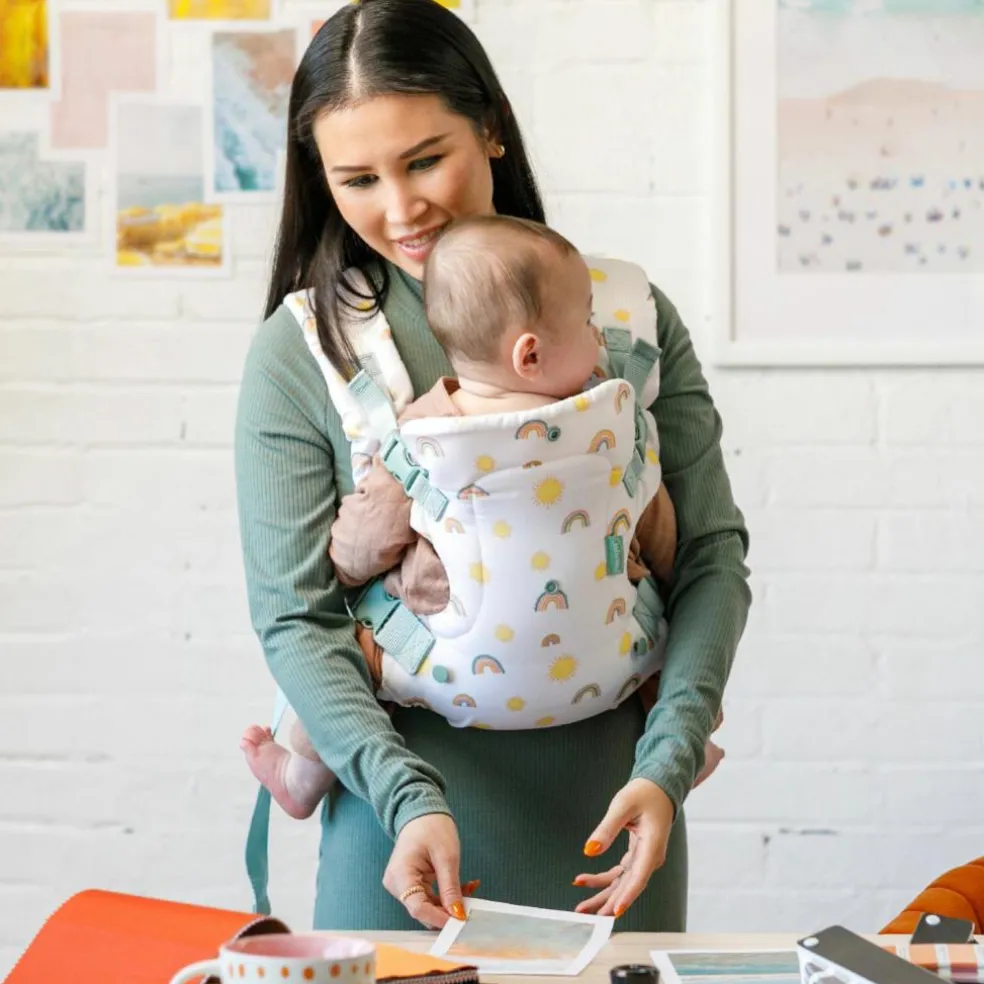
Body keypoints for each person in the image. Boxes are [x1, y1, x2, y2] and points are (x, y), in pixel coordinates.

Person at [234, 0, 750, 933]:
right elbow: (294, 614)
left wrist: (667, 766)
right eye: (356, 178)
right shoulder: (306, 354)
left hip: (616, 823)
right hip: (402, 840)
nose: (400, 209)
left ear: (493, 129)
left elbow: (712, 556)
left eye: (427, 159)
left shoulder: (622, 318)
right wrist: (408, 799)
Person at [240, 213, 726, 822]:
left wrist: (358, 567)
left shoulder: (419, 438)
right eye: (587, 323)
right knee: (661, 637)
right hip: (607, 661)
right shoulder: (612, 420)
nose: (600, 338)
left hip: (446, 663)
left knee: (349, 661)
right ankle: (690, 745)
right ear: (530, 353)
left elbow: (361, 547)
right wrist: (647, 563)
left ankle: (302, 774)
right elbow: (661, 528)